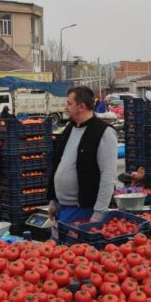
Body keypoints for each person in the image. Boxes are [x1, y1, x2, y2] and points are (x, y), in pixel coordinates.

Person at [47, 86, 118, 226]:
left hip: (84, 211)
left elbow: (108, 177)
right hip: (62, 208)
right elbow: (58, 164)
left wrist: (98, 214)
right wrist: (53, 201)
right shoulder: (69, 128)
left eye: (69, 103)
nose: (65, 107)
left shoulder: (104, 133)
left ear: (81, 106)